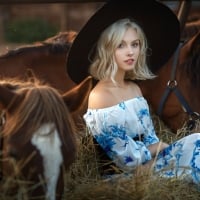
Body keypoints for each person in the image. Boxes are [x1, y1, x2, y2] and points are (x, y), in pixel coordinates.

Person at [67, 0, 200, 183]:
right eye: (121, 45)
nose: (130, 52)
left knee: (197, 140)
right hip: (126, 177)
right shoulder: (100, 96)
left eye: (135, 44)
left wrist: (168, 150)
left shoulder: (134, 88)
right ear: (107, 49)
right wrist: (159, 149)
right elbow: (125, 160)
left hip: (151, 163)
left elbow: (150, 138)